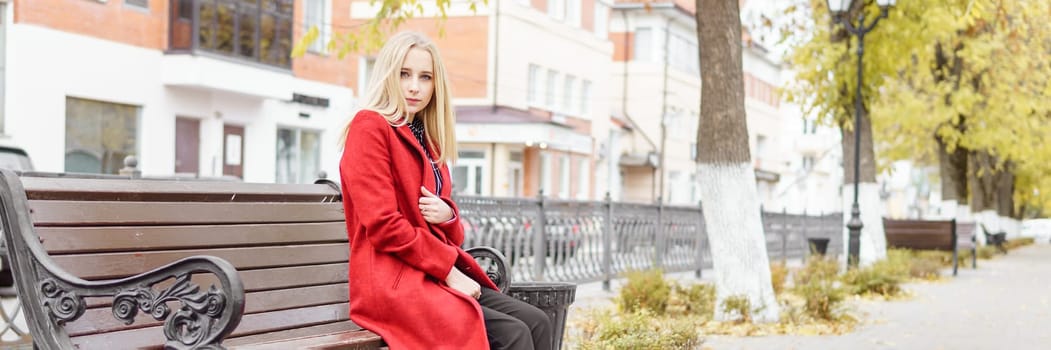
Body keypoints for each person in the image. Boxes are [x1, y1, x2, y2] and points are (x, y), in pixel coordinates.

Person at [339, 32, 553, 350]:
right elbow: (384, 225)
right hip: (393, 281)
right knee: (512, 334)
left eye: (425, 77)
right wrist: (449, 272)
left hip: (428, 273)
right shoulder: (370, 128)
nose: (414, 86)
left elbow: (449, 229)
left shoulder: (426, 138)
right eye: (404, 74)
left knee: (538, 322)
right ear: (387, 75)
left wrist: (448, 214)